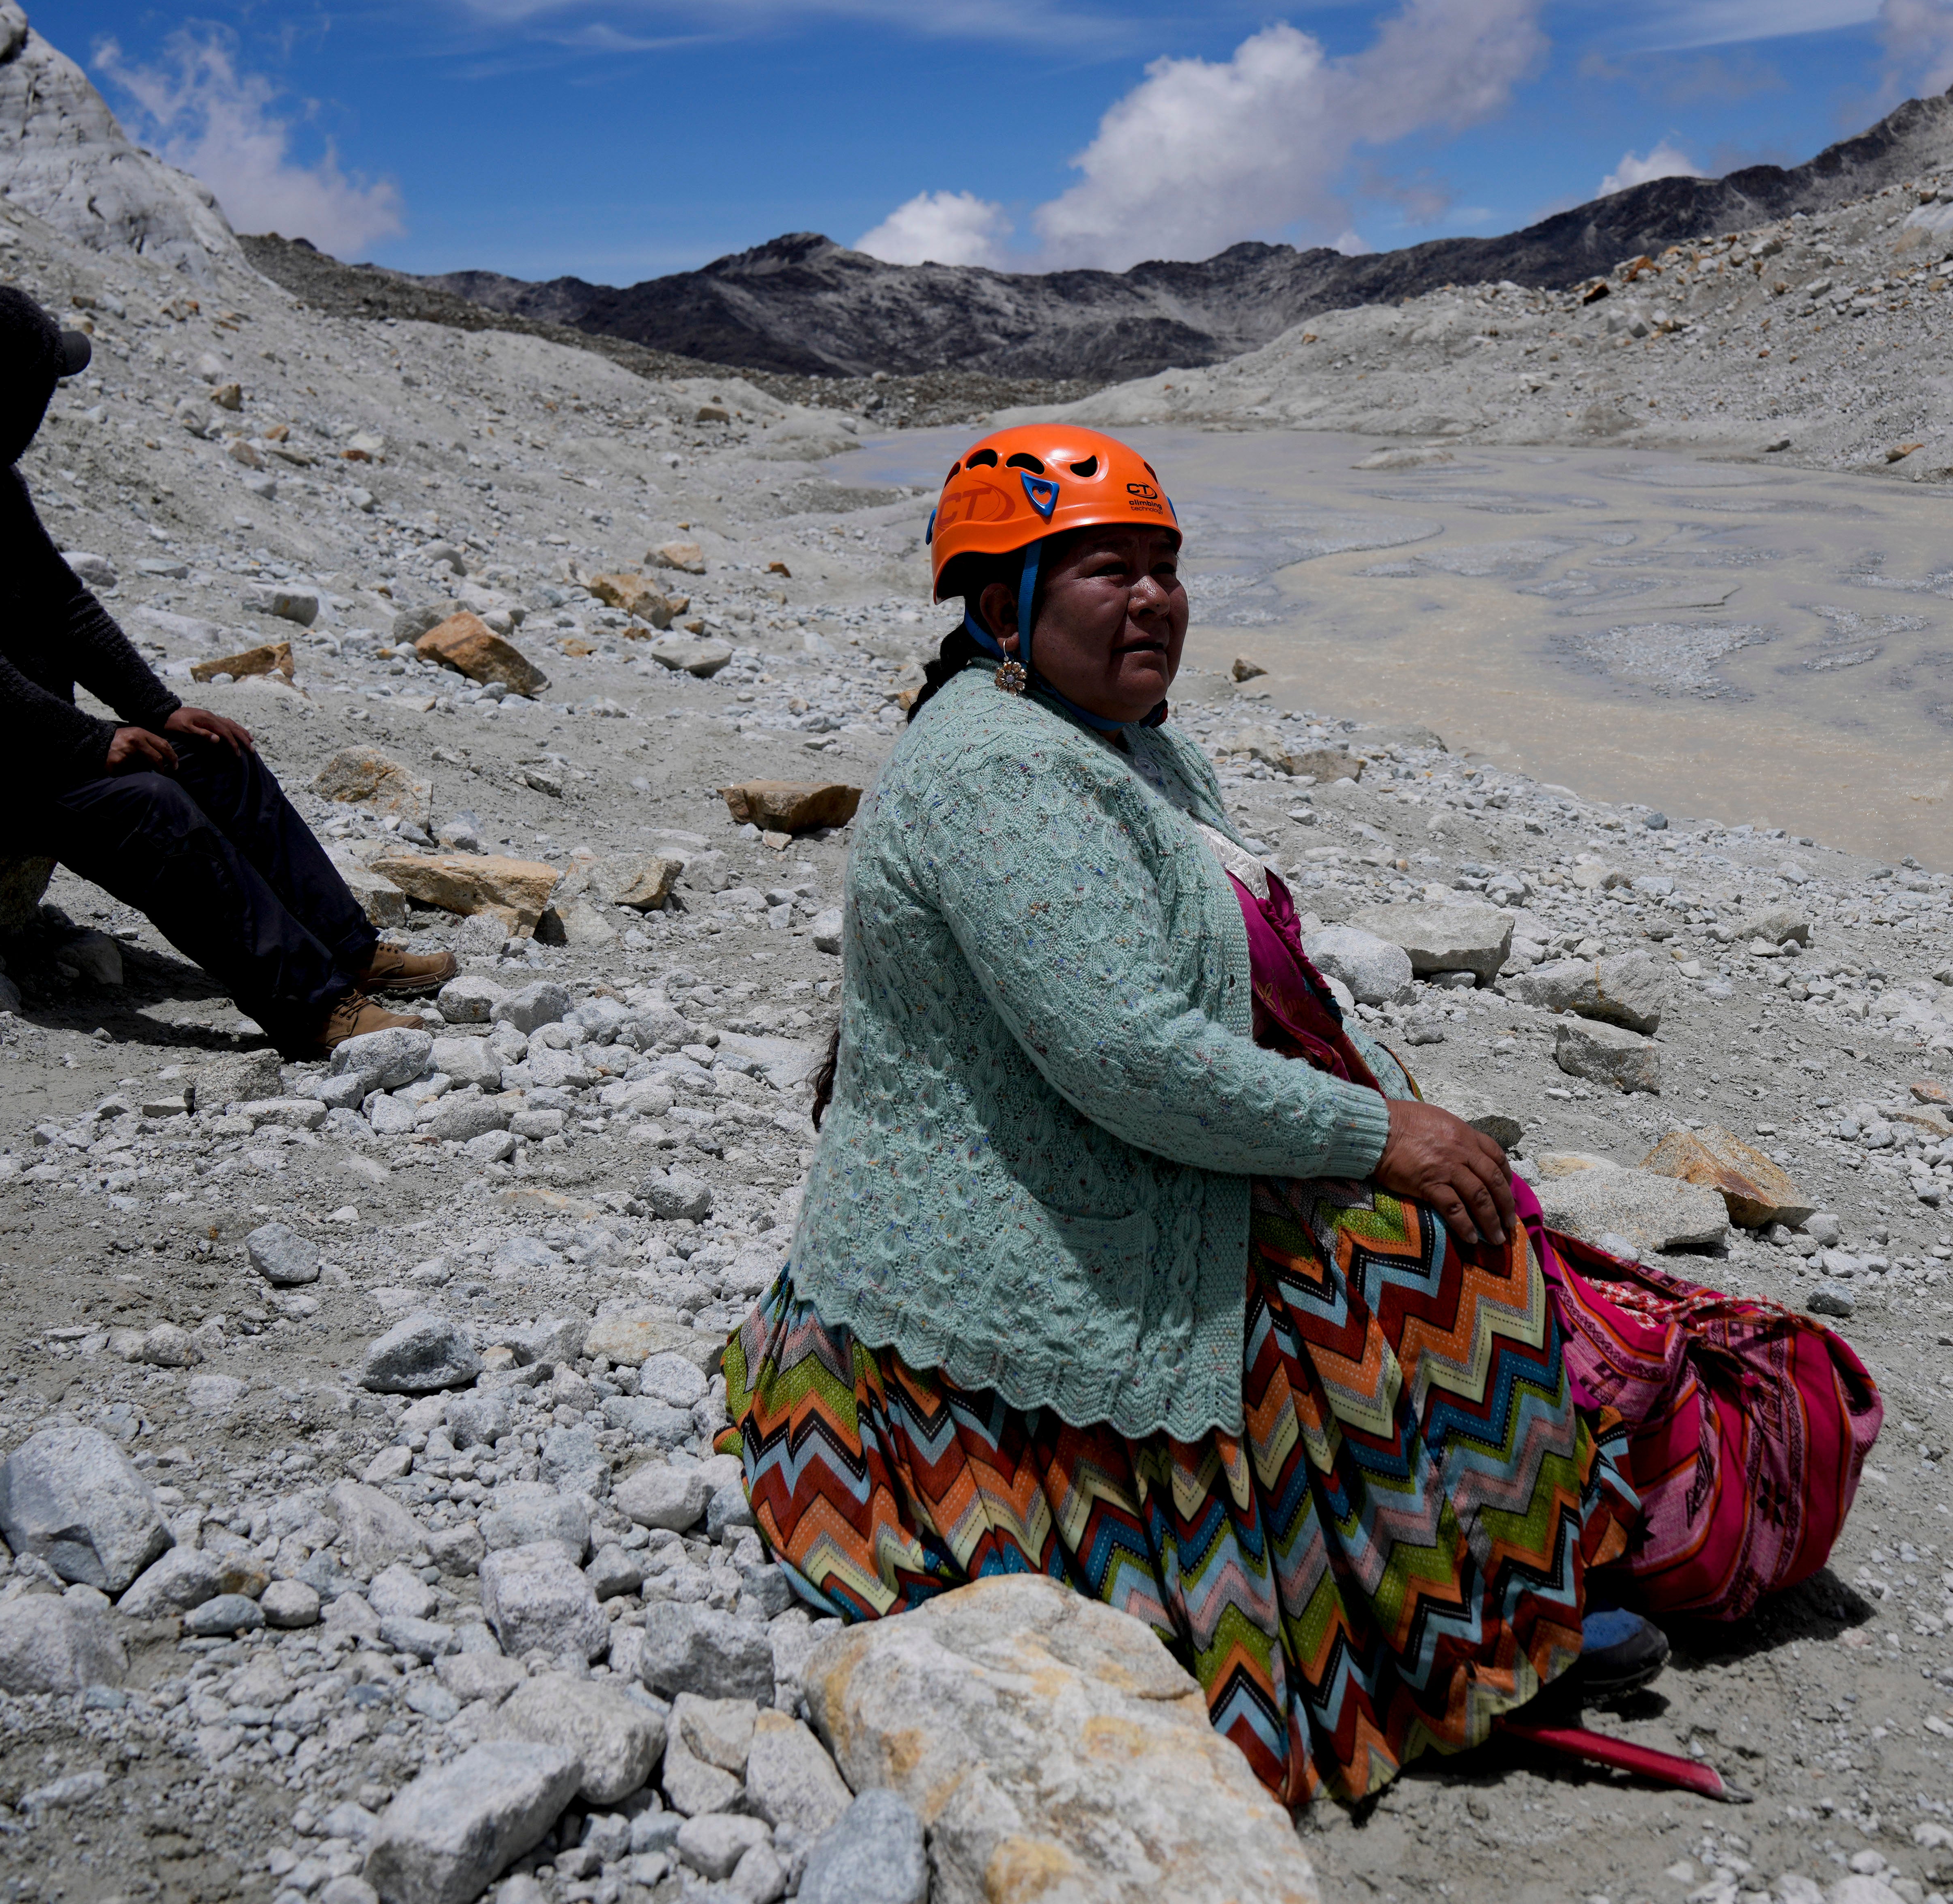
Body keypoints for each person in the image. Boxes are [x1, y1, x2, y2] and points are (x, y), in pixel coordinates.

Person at [716, 422, 1679, 1810]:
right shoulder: (1000, 767)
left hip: (1099, 1136)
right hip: (1029, 1204)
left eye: (1165, 567)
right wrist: (1373, 1131)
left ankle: (1511, 1571)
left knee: (1458, 1232)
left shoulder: (1117, 741)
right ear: (1003, 606)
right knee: (1388, 1274)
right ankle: (1451, 1639)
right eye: (1108, 570)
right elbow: (1128, 1052)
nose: (1154, 598)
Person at [0, 280, 448, 1060]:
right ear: (2, 392)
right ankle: (312, 1009)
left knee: (214, 756)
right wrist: (84, 742)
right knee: (149, 807)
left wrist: (159, 708)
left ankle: (347, 949)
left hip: (4, 738)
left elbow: (62, 606)